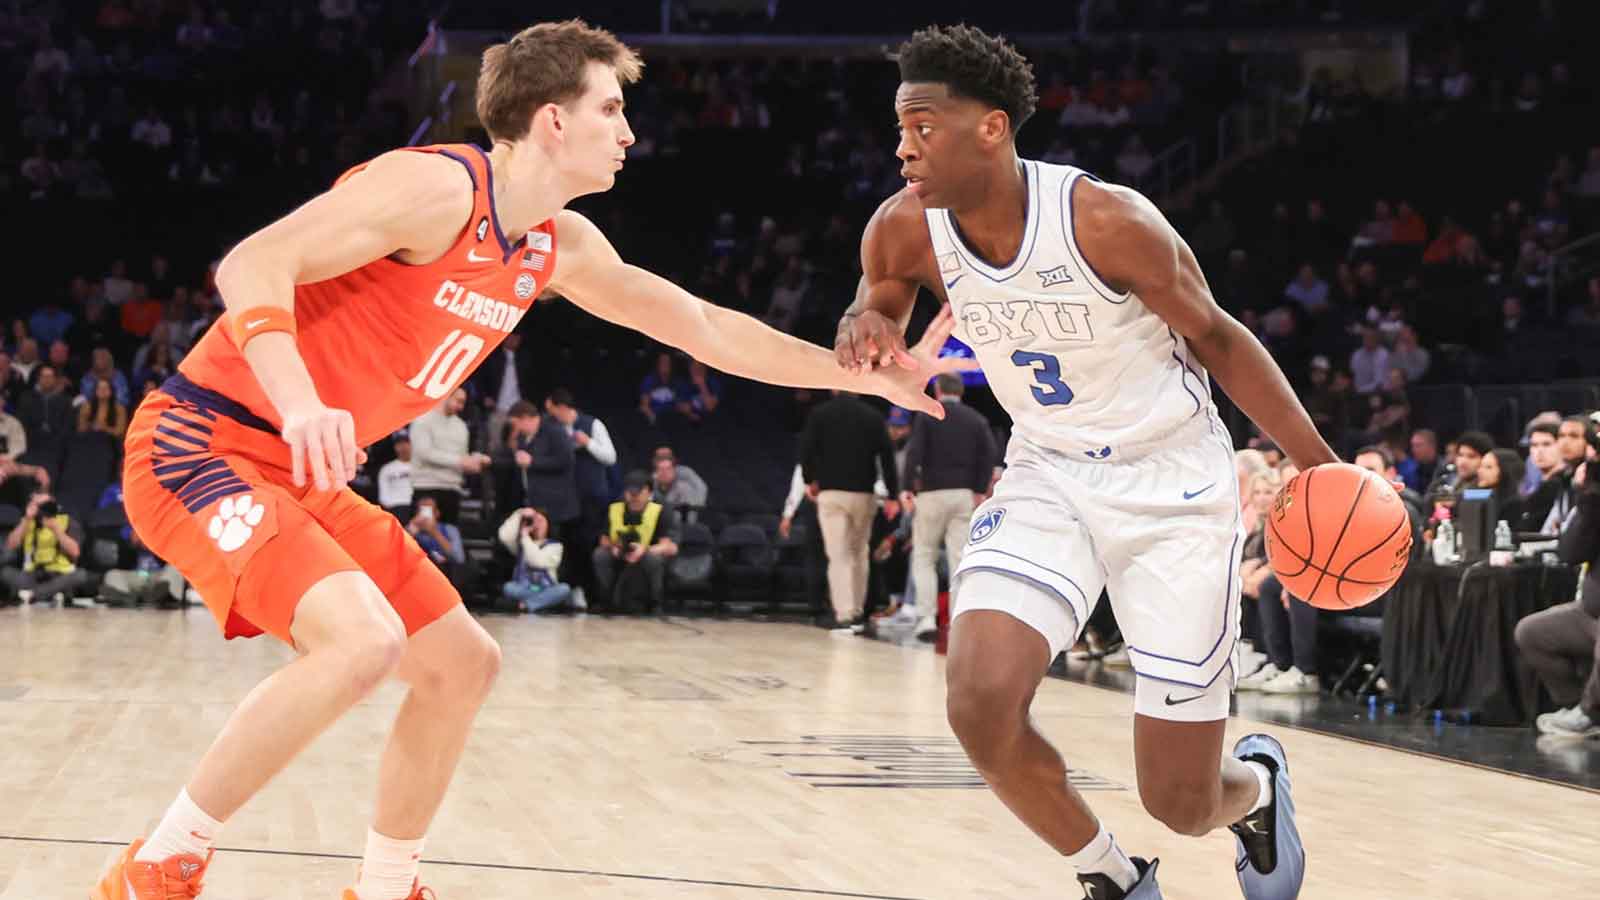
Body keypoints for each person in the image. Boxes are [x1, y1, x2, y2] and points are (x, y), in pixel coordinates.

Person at [107, 20, 959, 900]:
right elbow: (254, 261)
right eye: (612, 109)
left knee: (462, 665)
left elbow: (703, 327)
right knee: (360, 645)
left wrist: (860, 379)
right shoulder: (434, 187)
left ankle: (387, 883)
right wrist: (299, 402)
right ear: (553, 120)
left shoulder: (557, 245)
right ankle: (160, 865)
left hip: (299, 472)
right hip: (199, 440)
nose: (629, 132)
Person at [831, 25, 1334, 899]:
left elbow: (1216, 335)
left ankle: (1254, 792)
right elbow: (881, 291)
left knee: (1181, 797)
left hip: (1171, 483)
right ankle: (1110, 876)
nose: (902, 145)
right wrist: (867, 319)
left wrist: (1320, 466)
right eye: (900, 126)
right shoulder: (903, 224)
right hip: (1049, 472)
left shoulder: (1107, 220)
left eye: (923, 125)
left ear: (991, 128)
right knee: (979, 705)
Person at [901, 372, 996, 638]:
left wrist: (907, 487)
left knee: (924, 555)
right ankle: (957, 622)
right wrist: (978, 490)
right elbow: (988, 454)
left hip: (931, 493)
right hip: (964, 495)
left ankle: (927, 619)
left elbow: (914, 452)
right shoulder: (977, 419)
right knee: (959, 558)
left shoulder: (927, 416)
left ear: (938, 391)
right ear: (961, 392)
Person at [800, 390, 903, 631]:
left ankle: (844, 613)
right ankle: (858, 610)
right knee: (859, 552)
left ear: (834, 389)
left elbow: (806, 450)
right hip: (864, 493)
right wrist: (892, 493)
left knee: (839, 554)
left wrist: (810, 479)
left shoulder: (819, 414)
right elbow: (887, 456)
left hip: (831, 493)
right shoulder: (873, 417)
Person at [592, 470, 680, 613]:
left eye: (638, 492)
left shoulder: (661, 510)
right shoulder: (615, 509)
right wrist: (614, 547)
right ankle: (606, 600)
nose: (634, 497)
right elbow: (604, 539)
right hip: (620, 550)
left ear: (648, 492)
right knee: (600, 554)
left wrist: (643, 550)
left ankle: (655, 603)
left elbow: (668, 545)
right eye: (630, 492)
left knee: (653, 559)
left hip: (647, 551)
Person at [408, 386, 489, 526]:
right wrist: (460, 461)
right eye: (458, 401)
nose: (461, 407)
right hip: (427, 487)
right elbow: (424, 453)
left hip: (453, 488)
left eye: (463, 402)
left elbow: (462, 457)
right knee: (424, 535)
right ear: (446, 396)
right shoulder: (422, 420)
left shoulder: (461, 426)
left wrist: (475, 463)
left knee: (448, 538)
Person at [2, 490, 92, 605]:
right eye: (40, 506)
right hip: (32, 574)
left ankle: (35, 594)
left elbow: (75, 552)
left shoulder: (66, 521)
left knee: (80, 575)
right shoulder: (27, 522)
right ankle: (48, 593)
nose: (43, 510)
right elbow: (10, 546)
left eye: (46, 505)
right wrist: (26, 519)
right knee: (5, 572)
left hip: (59, 574)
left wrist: (57, 530)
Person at [496, 505, 575, 613]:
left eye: (541, 521)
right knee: (508, 587)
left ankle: (526, 605)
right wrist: (519, 514)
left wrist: (525, 538)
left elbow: (537, 561)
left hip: (547, 589)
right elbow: (504, 536)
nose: (537, 524)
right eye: (534, 520)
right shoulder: (522, 543)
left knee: (564, 589)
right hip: (524, 588)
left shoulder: (555, 547)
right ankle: (539, 604)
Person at [376, 431, 413, 519]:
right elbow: (383, 497)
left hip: (417, 507)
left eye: (406, 442)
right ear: (395, 447)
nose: (403, 447)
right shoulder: (387, 469)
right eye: (399, 444)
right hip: (396, 508)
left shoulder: (421, 465)